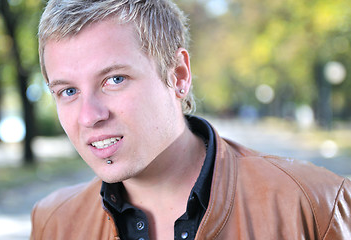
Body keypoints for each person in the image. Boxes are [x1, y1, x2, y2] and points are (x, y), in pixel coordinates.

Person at [31, 0, 351, 239]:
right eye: (69, 90)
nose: (89, 116)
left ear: (178, 75)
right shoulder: (54, 223)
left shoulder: (314, 205)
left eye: (114, 80)